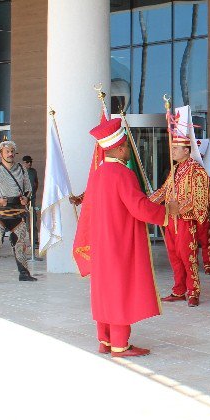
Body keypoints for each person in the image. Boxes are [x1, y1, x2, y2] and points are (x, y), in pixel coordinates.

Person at [73, 116, 178, 357]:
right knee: (120, 289)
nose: (130, 150)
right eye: (128, 146)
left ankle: (105, 340)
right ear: (120, 148)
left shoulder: (98, 175)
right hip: (119, 244)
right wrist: (167, 212)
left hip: (101, 244)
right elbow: (139, 207)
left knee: (104, 291)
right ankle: (120, 344)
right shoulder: (123, 174)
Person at [149, 128, 210, 307]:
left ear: (186, 150)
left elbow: (200, 198)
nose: (173, 151)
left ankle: (193, 292)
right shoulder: (175, 169)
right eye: (173, 148)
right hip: (170, 220)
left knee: (187, 256)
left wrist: (180, 209)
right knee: (174, 256)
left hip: (185, 221)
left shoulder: (197, 170)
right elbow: (163, 191)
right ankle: (179, 290)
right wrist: (146, 204)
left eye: (176, 148)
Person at [0, 140, 37, 285]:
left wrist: (26, 198)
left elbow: (28, 189)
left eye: (12, 151)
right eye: (7, 151)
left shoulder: (22, 169)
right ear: (0, 153)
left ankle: (24, 273)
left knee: (21, 245)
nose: (10, 154)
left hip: (18, 212)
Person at [22, 155, 40, 248]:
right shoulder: (20, 172)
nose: (29, 163)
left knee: (32, 221)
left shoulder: (33, 171)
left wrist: (33, 194)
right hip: (21, 201)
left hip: (31, 201)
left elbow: (36, 183)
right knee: (21, 222)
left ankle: (34, 241)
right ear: (23, 163)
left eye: (30, 162)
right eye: (27, 162)